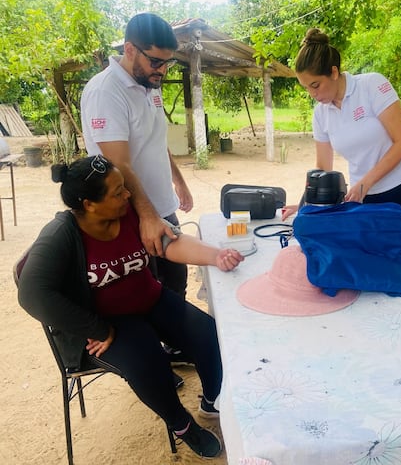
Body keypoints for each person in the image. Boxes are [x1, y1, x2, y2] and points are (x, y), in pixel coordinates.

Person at [17, 155, 244, 459]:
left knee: (208, 335)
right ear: (89, 204)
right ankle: (182, 425)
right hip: (110, 323)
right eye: (117, 192)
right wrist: (95, 328)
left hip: (150, 299)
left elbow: (168, 242)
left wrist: (215, 255)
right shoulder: (62, 236)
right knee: (149, 365)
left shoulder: (130, 213)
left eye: (125, 188)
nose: (128, 195)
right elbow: (33, 294)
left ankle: (212, 401)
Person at [80, 12, 191, 363]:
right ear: (130, 49)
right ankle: (154, 361)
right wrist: (145, 216)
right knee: (146, 293)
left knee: (176, 279)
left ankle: (175, 346)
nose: (162, 71)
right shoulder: (105, 92)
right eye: (156, 61)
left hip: (160, 205)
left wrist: (179, 181)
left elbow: (156, 140)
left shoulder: (148, 86)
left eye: (167, 63)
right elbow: (119, 165)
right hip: (132, 214)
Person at [284, 28, 401, 253]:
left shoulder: (371, 85)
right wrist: (307, 205)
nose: (312, 94)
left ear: (333, 72)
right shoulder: (321, 114)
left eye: (316, 85)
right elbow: (323, 169)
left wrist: (366, 182)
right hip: (365, 197)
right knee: (370, 266)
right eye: (306, 88)